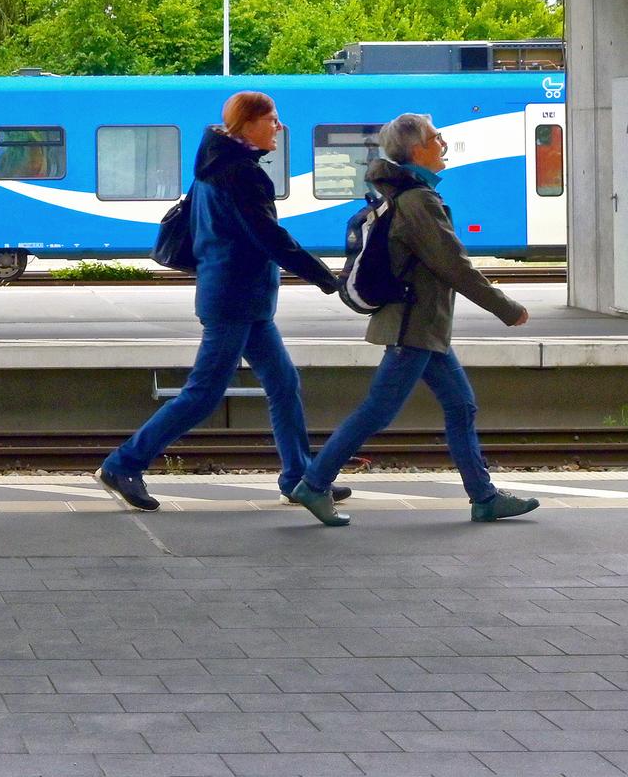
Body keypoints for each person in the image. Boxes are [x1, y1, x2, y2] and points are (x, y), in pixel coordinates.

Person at [288, 112, 539, 526]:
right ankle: (314, 485)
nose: (443, 144)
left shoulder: (409, 194)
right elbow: (455, 266)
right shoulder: (419, 201)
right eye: (436, 138)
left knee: (461, 406)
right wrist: (507, 309)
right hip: (413, 329)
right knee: (378, 412)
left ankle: (484, 497)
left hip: (424, 327)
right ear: (417, 149)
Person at [98, 91, 343, 509]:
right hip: (234, 299)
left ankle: (301, 477)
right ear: (248, 125)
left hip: (239, 298)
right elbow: (269, 237)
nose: (279, 128)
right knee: (204, 393)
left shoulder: (212, 167)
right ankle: (124, 463)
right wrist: (323, 275)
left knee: (283, 383)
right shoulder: (243, 174)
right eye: (272, 120)